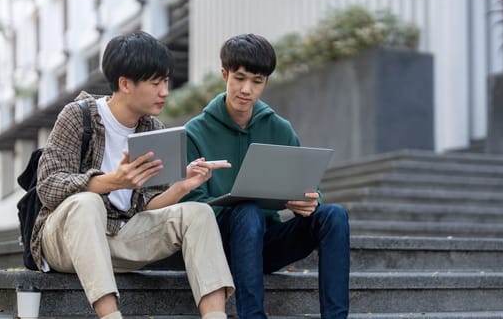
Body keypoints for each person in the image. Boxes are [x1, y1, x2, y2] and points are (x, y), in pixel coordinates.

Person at [33, 32, 235, 319]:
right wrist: (113, 181)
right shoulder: (79, 115)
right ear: (125, 83)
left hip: (119, 238)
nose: (165, 91)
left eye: (165, 81)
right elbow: (48, 187)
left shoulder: (153, 128)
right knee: (87, 203)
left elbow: (147, 206)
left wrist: (182, 187)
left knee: (198, 213)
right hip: (64, 241)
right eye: (155, 83)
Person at [180, 34, 350, 319]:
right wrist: (236, 202)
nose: (247, 89)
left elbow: (311, 188)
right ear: (225, 75)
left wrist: (309, 201)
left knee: (334, 215)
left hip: (265, 244)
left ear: (266, 82)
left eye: (257, 81)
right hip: (220, 247)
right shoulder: (195, 132)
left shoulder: (279, 128)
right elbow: (192, 208)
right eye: (240, 78)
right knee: (246, 210)